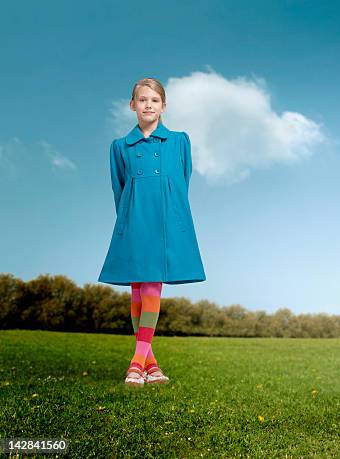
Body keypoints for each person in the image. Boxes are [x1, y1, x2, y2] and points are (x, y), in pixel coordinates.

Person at [98, 77, 206, 387]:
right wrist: (129, 220)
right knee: (137, 288)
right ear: (132, 105)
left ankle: (136, 362)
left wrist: (171, 214)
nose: (148, 105)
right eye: (142, 100)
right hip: (134, 220)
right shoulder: (120, 147)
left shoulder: (180, 140)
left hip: (166, 220)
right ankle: (151, 364)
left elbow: (182, 181)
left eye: (154, 100)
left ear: (163, 106)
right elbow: (119, 187)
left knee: (152, 286)